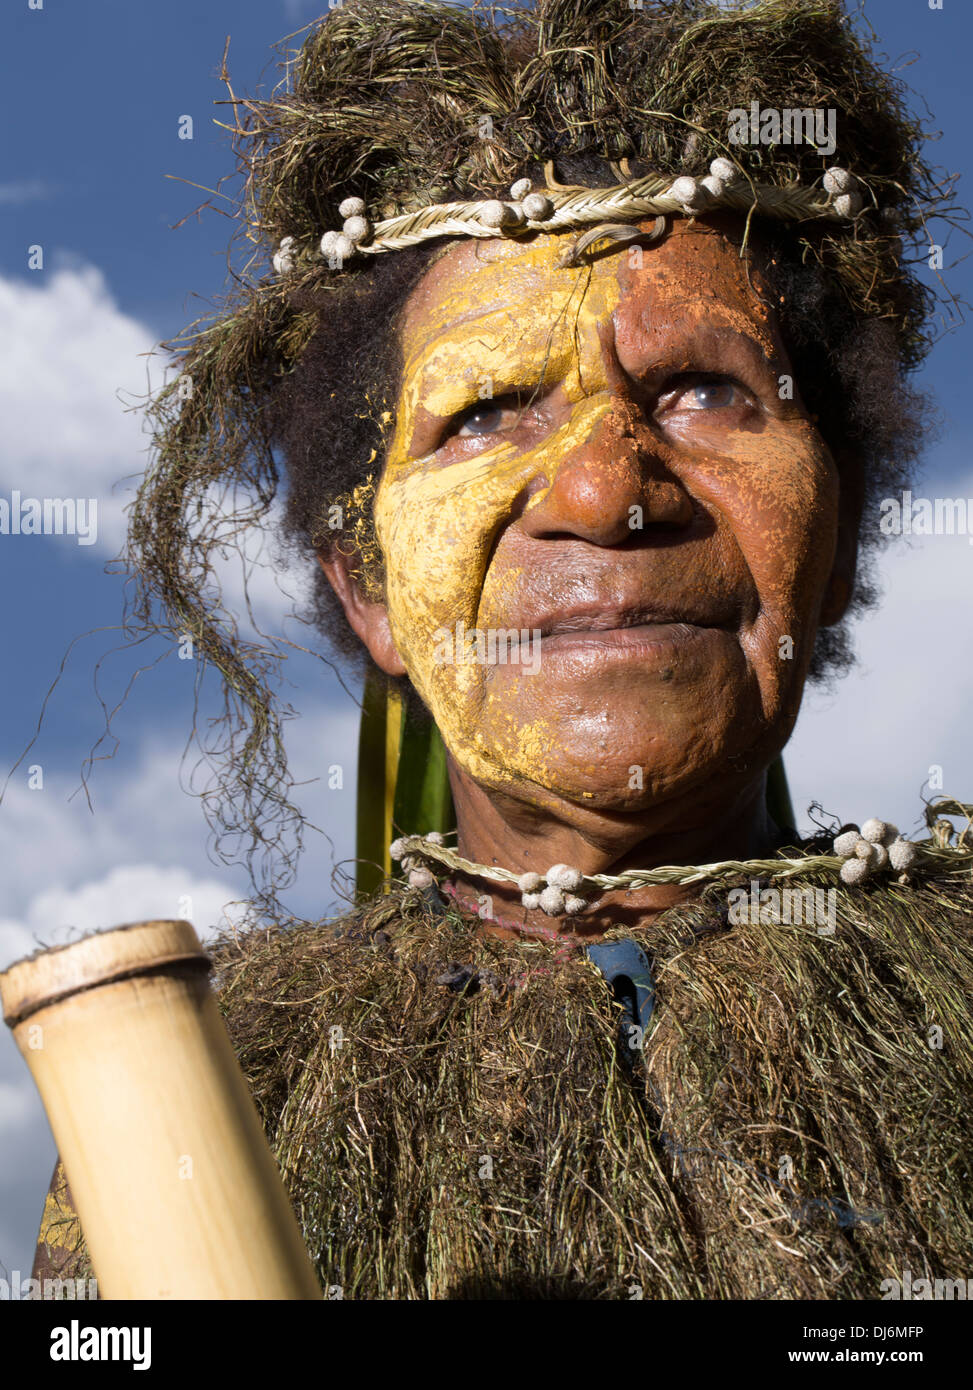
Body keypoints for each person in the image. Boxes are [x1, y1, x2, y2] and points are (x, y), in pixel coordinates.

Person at [33, 0, 973, 1299]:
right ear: (365, 587)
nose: (605, 490)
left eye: (705, 390)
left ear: (840, 544)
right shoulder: (211, 1080)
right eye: (484, 413)